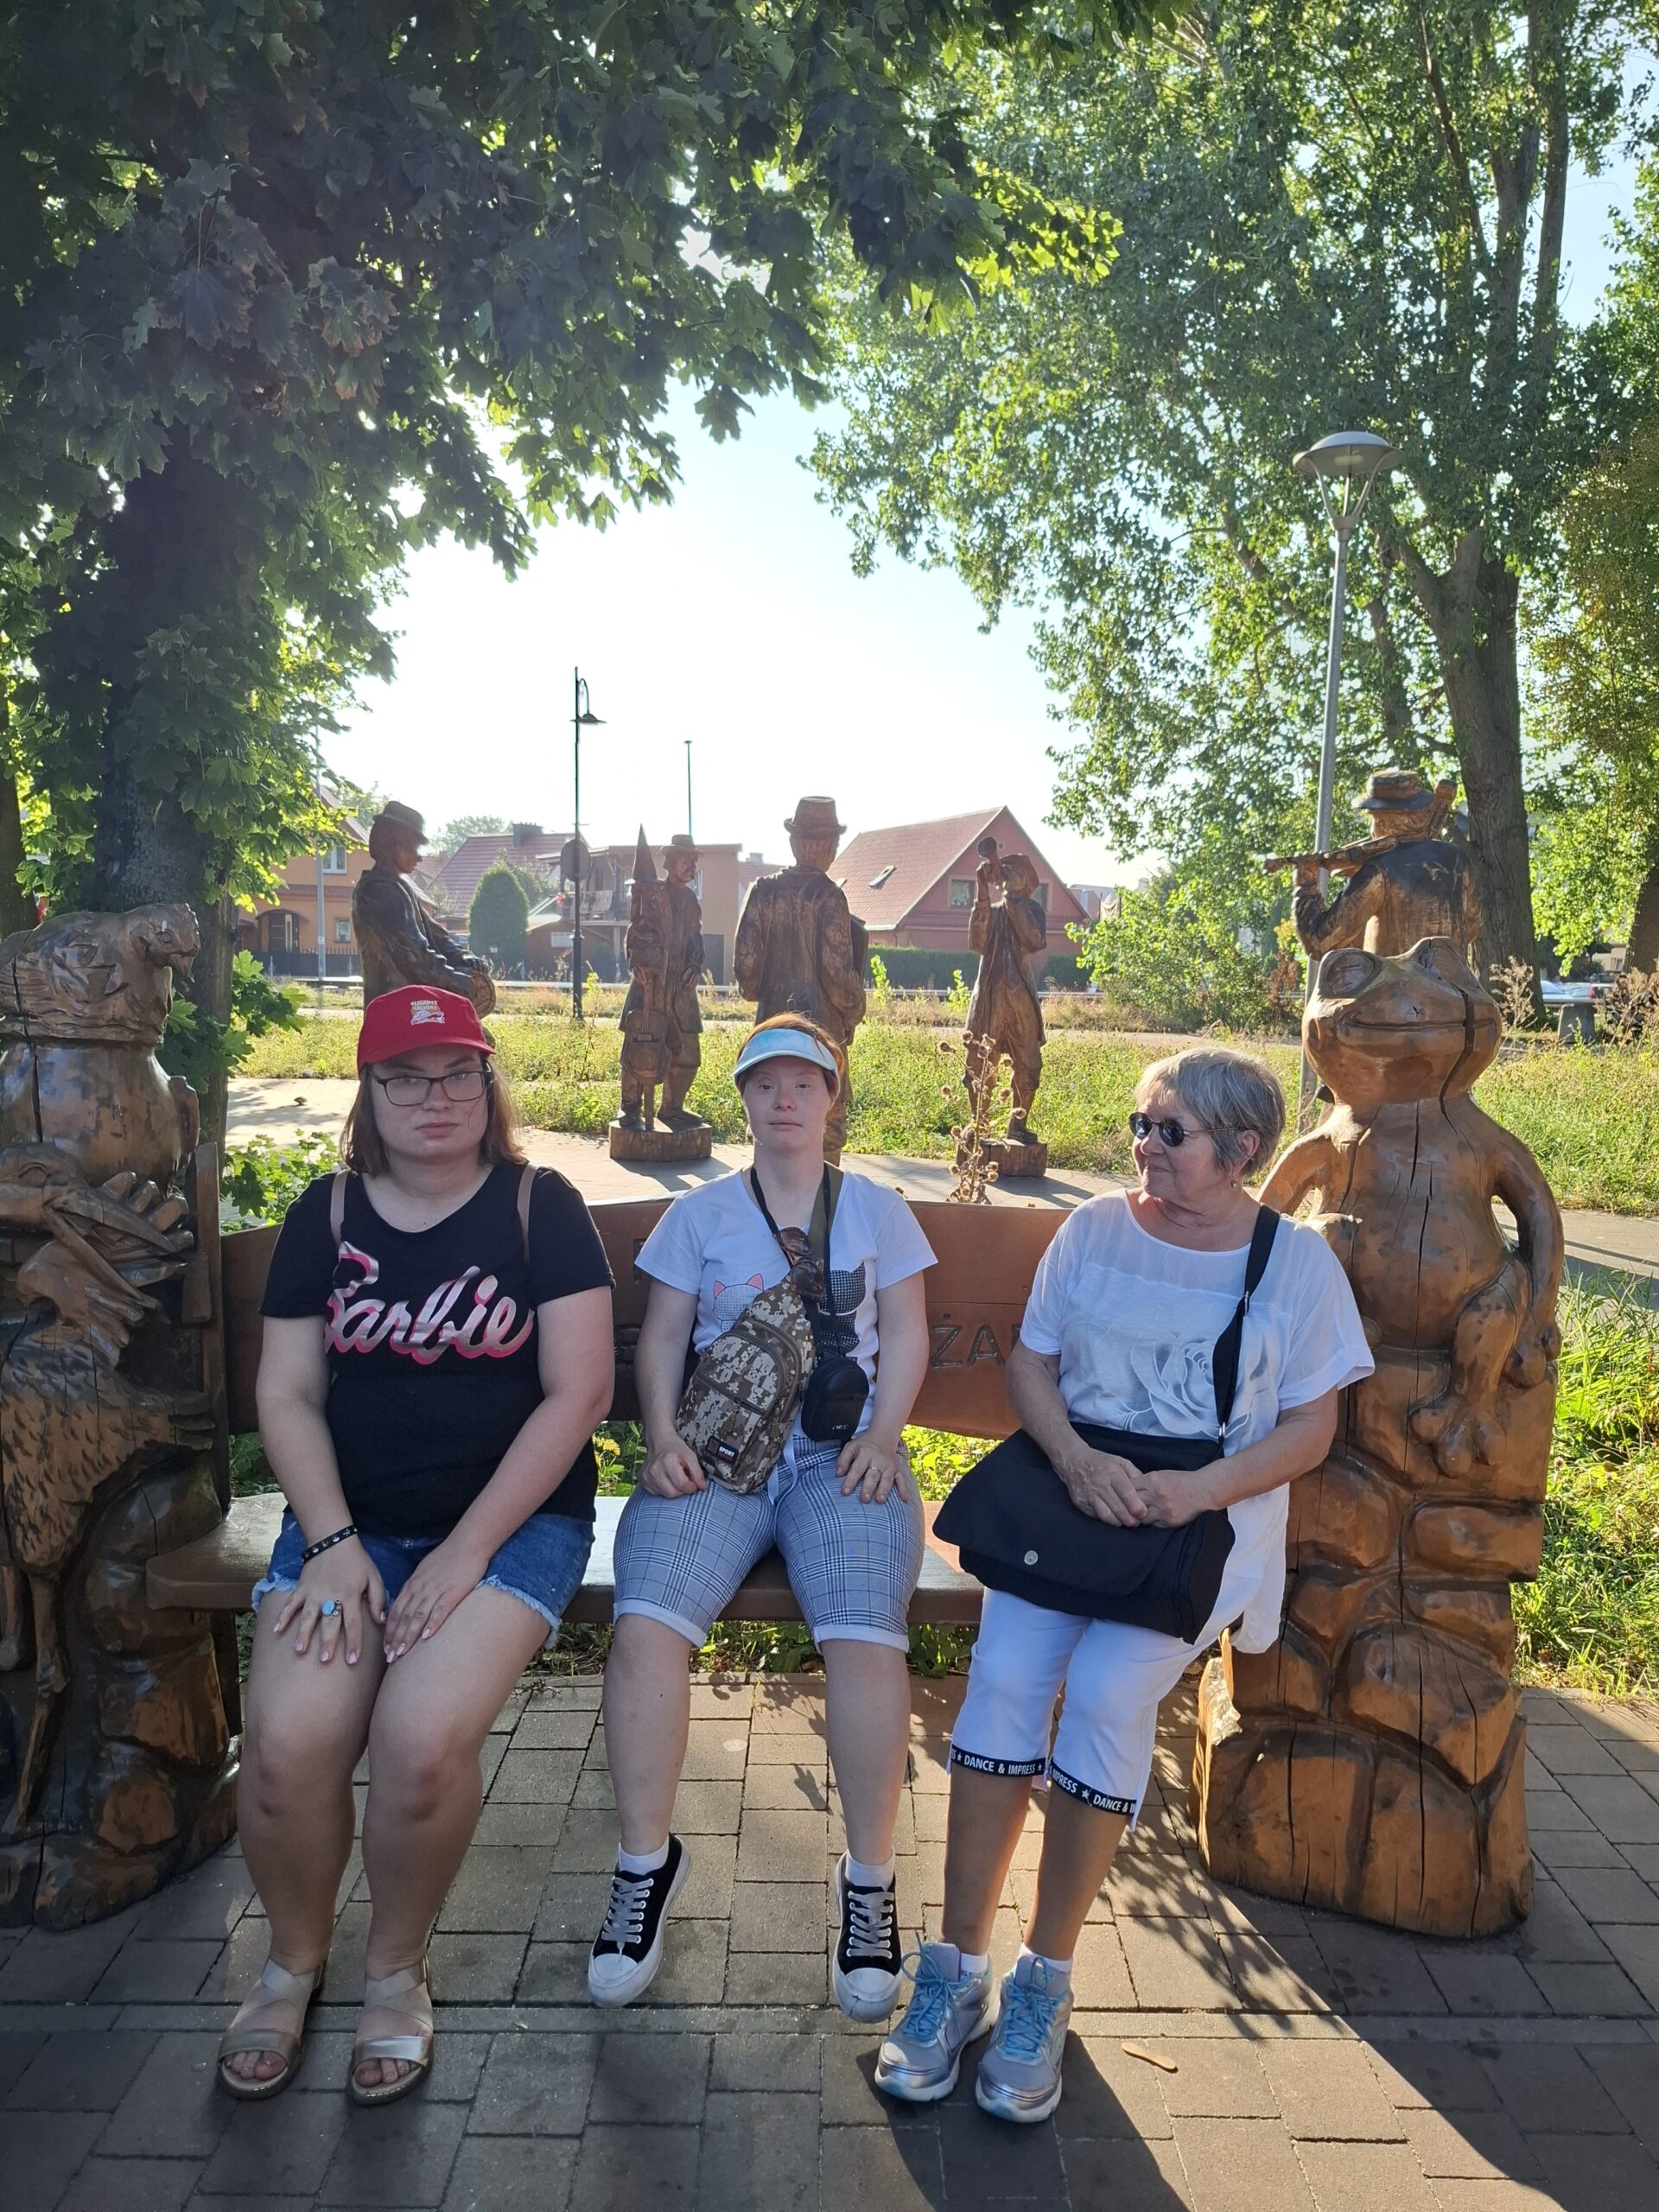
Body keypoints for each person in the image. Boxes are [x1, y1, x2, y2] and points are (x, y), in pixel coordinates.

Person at [876, 1046, 1372, 2123]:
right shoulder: (1096, 1230)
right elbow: (1030, 1365)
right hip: (1075, 1501)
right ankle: (956, 1968)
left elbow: (1311, 1426)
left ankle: (1043, 1982)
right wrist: (1075, 1460)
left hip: (1202, 1521)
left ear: (1241, 1150)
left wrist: (1197, 1491)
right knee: (1007, 1673)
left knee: (1104, 1689)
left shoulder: (1294, 1266)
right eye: (1141, 1124)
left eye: (1170, 1131)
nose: (1144, 1145)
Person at [218, 985, 613, 2104]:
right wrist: (334, 1541)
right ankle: (293, 1963)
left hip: (512, 1529)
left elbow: (580, 1392)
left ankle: (394, 1970)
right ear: (370, 1090)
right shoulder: (328, 1215)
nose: (435, 1097)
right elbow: (287, 1392)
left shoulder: (541, 1208)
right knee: (287, 1743)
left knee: (421, 1737)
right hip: (349, 1528)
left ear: (487, 1082)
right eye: (405, 1078)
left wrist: (466, 1551)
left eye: (457, 1074)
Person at [590, 1015, 934, 2016]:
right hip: (722, 1452)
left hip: (842, 1453)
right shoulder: (698, 1215)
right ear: (742, 1098)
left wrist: (885, 1436)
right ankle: (644, 1866)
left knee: (866, 1640)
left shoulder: (876, 1211)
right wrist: (662, 1438)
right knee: (646, 1628)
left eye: (804, 1083)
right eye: (765, 1084)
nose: (785, 1100)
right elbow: (663, 1339)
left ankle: (869, 1882)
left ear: (832, 1096)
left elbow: (907, 1334)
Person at [733, 798, 868, 1161]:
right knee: (826, 1127)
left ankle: (770, 1195)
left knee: (769, 1120)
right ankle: (821, 1198)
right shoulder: (829, 896)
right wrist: (856, 1008)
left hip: (770, 1035)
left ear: (794, 841)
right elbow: (837, 974)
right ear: (828, 846)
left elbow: (746, 973)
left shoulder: (761, 891)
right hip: (821, 1039)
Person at [1291, 768, 1480, 961]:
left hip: (1391, 979)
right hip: (1452, 978)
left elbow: (1321, 943)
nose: (1371, 830)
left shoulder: (1378, 871)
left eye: (1371, 819)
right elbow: (1472, 925)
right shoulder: (1459, 860)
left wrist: (1306, 886)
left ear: (1382, 821)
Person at [353, 800, 496, 1012]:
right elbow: (413, 954)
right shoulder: (379, 892)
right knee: (471, 1032)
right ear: (392, 844)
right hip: (396, 1011)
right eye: (413, 847)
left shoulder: (399, 888)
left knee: (473, 1032)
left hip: (417, 1006)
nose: (419, 857)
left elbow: (437, 936)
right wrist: (456, 981)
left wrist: (463, 957)